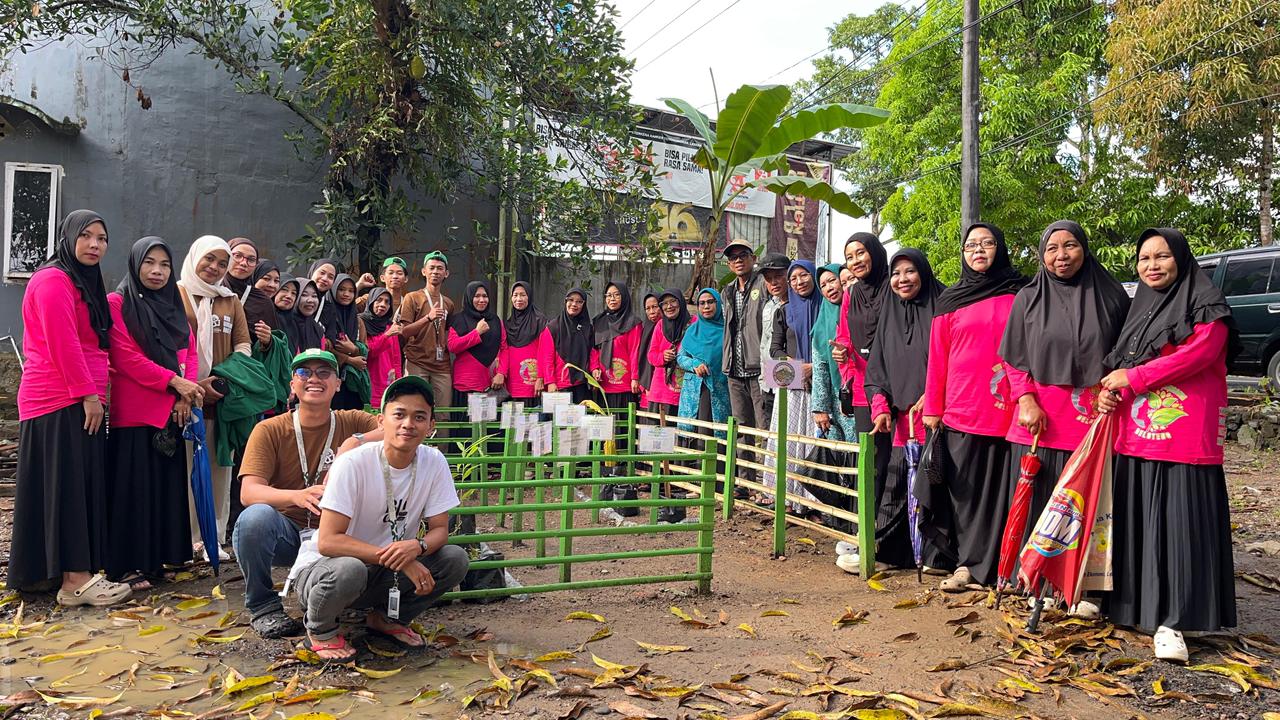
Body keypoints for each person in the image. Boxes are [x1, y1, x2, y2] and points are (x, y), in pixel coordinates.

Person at [1095, 228, 1239, 662]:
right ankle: (1135, 608)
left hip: (1183, 437)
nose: (1152, 265)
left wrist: (1133, 379)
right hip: (1135, 436)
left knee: (1180, 529)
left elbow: (1201, 354)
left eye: (1161, 257)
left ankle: (1174, 621)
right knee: (1138, 525)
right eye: (1144, 259)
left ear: (1181, 259)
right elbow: (1120, 364)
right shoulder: (1139, 310)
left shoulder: (1206, 305)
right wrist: (1110, 392)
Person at [998, 220, 1130, 615]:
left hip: (1093, 417)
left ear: (1085, 249)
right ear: (1041, 255)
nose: (1061, 256)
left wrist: (1112, 392)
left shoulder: (1112, 296)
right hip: (1039, 416)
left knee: (1085, 501)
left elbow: (1127, 355)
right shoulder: (1027, 298)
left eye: (1070, 246)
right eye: (1052, 248)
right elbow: (1013, 358)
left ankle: (1079, 587)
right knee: (1038, 498)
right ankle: (1032, 577)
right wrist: (1025, 399)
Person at [292, 375, 469, 659]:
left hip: (385, 571)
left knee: (454, 559)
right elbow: (327, 542)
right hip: (327, 570)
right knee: (350, 569)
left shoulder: (434, 462)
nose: (408, 424)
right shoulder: (352, 464)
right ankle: (321, 630)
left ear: (431, 425)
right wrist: (403, 558)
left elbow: (439, 529)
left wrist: (418, 547)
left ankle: (386, 619)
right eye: (399, 414)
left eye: (419, 417)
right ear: (380, 421)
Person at [9, 210, 132, 605]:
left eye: (102, 238)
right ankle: (74, 581)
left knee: (71, 486)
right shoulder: (52, 279)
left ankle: (50, 574)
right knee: (68, 487)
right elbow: (62, 342)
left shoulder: (83, 282)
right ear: (67, 238)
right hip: (58, 399)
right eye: (86, 236)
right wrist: (89, 395)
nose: (95, 245)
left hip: (77, 397)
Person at [233, 349, 382, 638]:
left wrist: (355, 440)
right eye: (304, 373)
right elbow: (249, 492)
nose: (314, 379)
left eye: (324, 373)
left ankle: (356, 603)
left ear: (338, 383)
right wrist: (296, 496)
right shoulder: (269, 429)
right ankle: (263, 606)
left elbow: (398, 427)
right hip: (289, 530)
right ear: (293, 385)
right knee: (254, 518)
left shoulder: (352, 420)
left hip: (339, 530)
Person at [923, 223, 1028, 592]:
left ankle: (1005, 567)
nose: (979, 250)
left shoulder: (1022, 292)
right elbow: (938, 357)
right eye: (971, 245)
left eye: (987, 243)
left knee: (1006, 492)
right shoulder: (950, 299)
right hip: (962, 409)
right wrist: (932, 407)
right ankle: (966, 565)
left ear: (1000, 247)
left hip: (1013, 410)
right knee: (964, 496)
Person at [105, 237, 203, 589]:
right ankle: (126, 565)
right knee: (133, 490)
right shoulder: (117, 304)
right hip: (133, 413)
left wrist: (185, 395)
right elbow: (125, 357)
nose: (157, 271)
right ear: (135, 265)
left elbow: (189, 351)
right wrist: (176, 383)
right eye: (149, 262)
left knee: (164, 487)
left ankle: (158, 558)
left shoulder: (174, 306)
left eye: (164, 264)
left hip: (171, 412)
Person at [864, 249, 948, 572]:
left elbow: (954, 358)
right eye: (896, 274)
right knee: (897, 485)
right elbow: (878, 366)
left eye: (910, 272)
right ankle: (888, 552)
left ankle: (936, 557)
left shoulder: (942, 306)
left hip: (937, 416)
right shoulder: (890, 313)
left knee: (935, 484)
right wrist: (881, 407)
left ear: (923, 273)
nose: (902, 280)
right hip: (902, 420)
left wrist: (935, 394)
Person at [179, 235, 253, 563]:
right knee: (185, 469)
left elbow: (243, 345)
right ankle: (185, 538)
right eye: (209, 259)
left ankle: (213, 538)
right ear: (195, 256)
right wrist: (188, 385)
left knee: (219, 470)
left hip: (219, 399)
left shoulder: (229, 300)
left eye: (222, 263)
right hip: (182, 398)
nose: (215, 268)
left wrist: (222, 381)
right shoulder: (176, 292)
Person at [834, 233, 894, 554]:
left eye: (861, 253)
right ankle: (863, 534)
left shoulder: (893, 286)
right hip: (861, 391)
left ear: (874, 253)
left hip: (894, 387)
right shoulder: (850, 295)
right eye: (850, 256)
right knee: (868, 463)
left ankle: (888, 537)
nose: (856, 260)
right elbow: (843, 336)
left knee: (891, 463)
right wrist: (843, 354)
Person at [762, 260, 822, 513]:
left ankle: (816, 502)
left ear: (814, 276)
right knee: (788, 439)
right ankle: (787, 497)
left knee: (814, 441)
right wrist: (798, 367)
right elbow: (775, 349)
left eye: (804, 275)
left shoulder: (827, 308)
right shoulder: (783, 312)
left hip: (821, 383)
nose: (799, 282)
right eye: (794, 277)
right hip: (792, 383)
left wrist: (814, 367)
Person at [720, 240, 768, 488]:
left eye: (743, 255)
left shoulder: (764, 283)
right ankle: (746, 483)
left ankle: (767, 485)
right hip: (734, 368)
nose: (738, 260)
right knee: (741, 429)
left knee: (765, 428)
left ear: (753, 258)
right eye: (733, 257)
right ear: (729, 263)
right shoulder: (727, 291)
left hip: (760, 369)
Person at [398, 251, 453, 417]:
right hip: (416, 361)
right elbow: (404, 332)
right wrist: (428, 318)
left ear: (446, 273)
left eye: (440, 268)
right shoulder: (412, 297)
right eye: (432, 268)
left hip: (441, 364)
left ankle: (442, 444)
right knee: (414, 410)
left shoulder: (449, 303)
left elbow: (447, 332)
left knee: (443, 413)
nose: (435, 271)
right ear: (424, 271)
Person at [811, 264, 857, 442]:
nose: (828, 288)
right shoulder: (822, 324)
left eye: (832, 280)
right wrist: (820, 408)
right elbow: (820, 368)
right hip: (836, 403)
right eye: (822, 285)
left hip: (862, 396)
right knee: (841, 457)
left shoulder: (860, 312)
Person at [447, 280, 505, 407]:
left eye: (485, 296)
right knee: (463, 426)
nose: (482, 300)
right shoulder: (458, 320)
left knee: (488, 425)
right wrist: (476, 333)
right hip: (465, 385)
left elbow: (504, 348)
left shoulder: (495, 320)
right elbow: (453, 346)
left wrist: (501, 373)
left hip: (490, 384)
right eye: (477, 296)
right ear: (469, 297)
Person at [591, 281, 643, 409]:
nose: (612, 299)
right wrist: (594, 368)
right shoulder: (599, 321)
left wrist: (635, 378)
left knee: (625, 425)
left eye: (616, 295)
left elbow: (635, 352)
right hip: (603, 384)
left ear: (624, 297)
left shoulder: (633, 323)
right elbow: (594, 349)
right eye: (608, 295)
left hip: (625, 385)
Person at [501, 281, 553, 403]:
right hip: (511, 385)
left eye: (523, 295)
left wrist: (541, 378)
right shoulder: (507, 324)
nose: (519, 299)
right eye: (515, 295)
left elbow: (546, 353)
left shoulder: (541, 322)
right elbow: (504, 351)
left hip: (533, 384)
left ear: (529, 297)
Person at [757, 252, 791, 423]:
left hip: (791, 382)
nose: (773, 282)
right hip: (768, 382)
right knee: (768, 436)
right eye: (768, 278)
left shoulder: (799, 305)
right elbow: (765, 344)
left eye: (778, 276)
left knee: (788, 435)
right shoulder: (769, 306)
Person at [645, 289, 691, 416]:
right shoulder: (660, 325)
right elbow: (651, 355)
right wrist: (663, 356)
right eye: (664, 303)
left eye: (673, 301)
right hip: (661, 392)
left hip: (685, 391)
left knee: (684, 433)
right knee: (659, 433)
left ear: (681, 302)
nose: (669, 306)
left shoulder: (693, 323)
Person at [328, 274, 371, 410]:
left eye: (351, 291)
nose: (346, 294)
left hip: (353, 380)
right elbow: (325, 347)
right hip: (330, 377)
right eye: (341, 289)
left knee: (352, 422)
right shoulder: (326, 317)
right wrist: (349, 359)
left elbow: (364, 349)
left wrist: (355, 350)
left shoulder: (357, 321)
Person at [547, 288, 595, 403]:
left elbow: (593, 352)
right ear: (565, 301)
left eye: (579, 301)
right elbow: (547, 357)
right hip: (560, 386)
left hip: (582, 385)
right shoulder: (553, 327)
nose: (574, 304)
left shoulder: (588, 328)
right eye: (571, 300)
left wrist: (594, 371)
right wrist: (550, 382)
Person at [362, 287, 404, 408]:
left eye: (387, 302)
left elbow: (396, 358)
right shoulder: (362, 322)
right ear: (371, 302)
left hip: (387, 381)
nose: (383, 304)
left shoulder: (390, 326)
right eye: (378, 300)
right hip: (369, 380)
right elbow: (368, 352)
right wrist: (387, 335)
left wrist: (398, 382)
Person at [282, 279, 325, 356]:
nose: (310, 300)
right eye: (304, 295)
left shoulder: (317, 329)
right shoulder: (284, 325)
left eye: (314, 296)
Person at [636, 293, 661, 409]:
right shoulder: (644, 330)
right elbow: (641, 359)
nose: (652, 311)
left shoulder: (669, 330)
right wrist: (644, 384)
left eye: (655, 307)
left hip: (665, 388)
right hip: (647, 387)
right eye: (648, 308)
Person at [308, 258, 341, 339]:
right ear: (312, 272)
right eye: (322, 273)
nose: (325, 279)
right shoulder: (294, 297)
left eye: (330, 277)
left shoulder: (329, 308)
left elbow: (331, 339)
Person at [224, 237, 260, 304]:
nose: (244, 263)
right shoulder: (208, 290)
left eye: (251, 259)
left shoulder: (262, 301)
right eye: (237, 255)